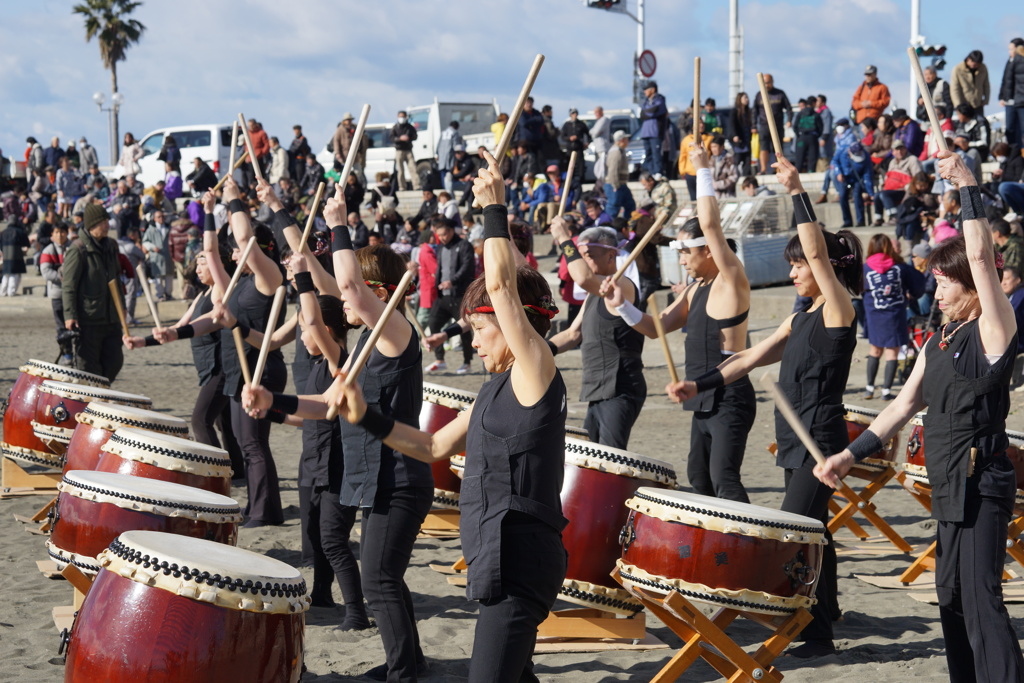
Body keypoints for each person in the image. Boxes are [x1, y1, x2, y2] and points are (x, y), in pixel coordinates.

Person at [297, 149, 567, 681]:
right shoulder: (492, 389)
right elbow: (432, 448)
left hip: (523, 560)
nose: (475, 341)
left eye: (481, 330)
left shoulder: (537, 370)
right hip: (495, 554)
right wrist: (366, 416)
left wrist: (493, 211)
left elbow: (502, 289)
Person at [814, 150, 1024, 681]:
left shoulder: (993, 329)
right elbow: (903, 406)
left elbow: (980, 259)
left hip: (983, 480)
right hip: (949, 480)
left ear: (972, 288)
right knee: (949, 595)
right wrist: (848, 454)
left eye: (945, 282)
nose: (936, 290)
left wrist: (969, 185)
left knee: (980, 599)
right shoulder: (938, 338)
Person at [668, 155, 864, 658]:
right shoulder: (800, 318)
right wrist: (700, 383)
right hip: (795, 441)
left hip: (820, 439)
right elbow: (749, 357)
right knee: (814, 532)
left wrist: (796, 189)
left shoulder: (839, 311)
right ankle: (826, 620)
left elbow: (819, 255)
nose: (794, 271)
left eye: (798, 264)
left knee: (793, 536)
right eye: (793, 264)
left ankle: (809, 630)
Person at [608, 146, 754, 502]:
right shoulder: (694, 289)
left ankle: (750, 552)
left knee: (724, 477)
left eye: (687, 250)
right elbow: (654, 326)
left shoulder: (730, 279)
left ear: (708, 250)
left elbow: (710, 224)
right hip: (700, 393)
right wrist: (622, 306)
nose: (682, 258)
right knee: (698, 477)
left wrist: (703, 170)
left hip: (729, 393)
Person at [548, 221, 646, 449]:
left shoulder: (621, 285)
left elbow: (582, 277)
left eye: (589, 255)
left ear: (611, 256)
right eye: (582, 256)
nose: (583, 261)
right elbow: (573, 334)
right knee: (591, 455)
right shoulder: (595, 294)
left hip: (620, 387)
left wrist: (565, 239)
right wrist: (538, 350)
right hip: (599, 388)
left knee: (610, 457)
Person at [61, 204, 127, 381]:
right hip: (88, 319)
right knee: (88, 368)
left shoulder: (111, 246)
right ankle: (92, 401)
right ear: (92, 225)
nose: (107, 225)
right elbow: (69, 286)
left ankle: (101, 392)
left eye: (107, 221)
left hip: (111, 317)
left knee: (115, 361)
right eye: (103, 222)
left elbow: (117, 280)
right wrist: (70, 315)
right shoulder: (78, 249)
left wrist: (123, 307)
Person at [862, 234, 924, 400]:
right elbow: (918, 283)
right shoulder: (900, 267)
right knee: (892, 353)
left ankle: (869, 389)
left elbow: (858, 287)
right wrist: (912, 294)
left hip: (874, 313)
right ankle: (886, 391)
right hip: (895, 314)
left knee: (874, 350)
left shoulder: (865, 267)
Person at [426, 216, 475, 375]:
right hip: (443, 295)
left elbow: (467, 267)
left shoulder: (464, 245)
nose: (441, 238)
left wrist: (452, 281)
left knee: (464, 329)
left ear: (452, 231)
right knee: (433, 323)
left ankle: (467, 362)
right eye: (439, 235)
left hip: (459, 294)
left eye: (444, 234)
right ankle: (440, 359)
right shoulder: (440, 248)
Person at [40, 223, 72, 360]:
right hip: (57, 294)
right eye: (57, 232)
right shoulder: (48, 250)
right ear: (52, 235)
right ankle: (67, 353)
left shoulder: (74, 248)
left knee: (75, 325)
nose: (60, 235)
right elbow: (46, 272)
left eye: (62, 232)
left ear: (67, 233)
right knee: (61, 326)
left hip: (74, 294)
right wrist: (65, 279)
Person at [874, 139, 923, 227]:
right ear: (892, 152)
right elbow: (888, 177)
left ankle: (894, 217)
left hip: (905, 190)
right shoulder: (892, 162)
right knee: (877, 195)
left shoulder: (912, 160)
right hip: (892, 188)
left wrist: (910, 187)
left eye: (901, 148)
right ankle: (879, 218)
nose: (899, 151)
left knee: (884, 194)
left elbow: (919, 177)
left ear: (905, 149)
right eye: (896, 149)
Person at [753, 73, 792, 173]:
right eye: (765, 83)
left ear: (772, 82)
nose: (767, 85)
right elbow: (754, 111)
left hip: (777, 125)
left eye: (768, 83)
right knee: (764, 147)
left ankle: (779, 169)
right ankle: (763, 169)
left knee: (778, 149)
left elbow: (788, 108)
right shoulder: (759, 95)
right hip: (764, 125)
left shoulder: (780, 93)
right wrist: (753, 125)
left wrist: (789, 120)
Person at [143, 210, 174, 300]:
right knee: (158, 277)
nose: (161, 218)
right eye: (159, 217)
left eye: (162, 216)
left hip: (168, 256)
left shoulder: (168, 228)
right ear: (155, 219)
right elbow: (145, 242)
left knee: (169, 276)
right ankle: (160, 294)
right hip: (156, 257)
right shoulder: (151, 230)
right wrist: (152, 247)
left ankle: (168, 294)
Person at [678, 120, 713, 200]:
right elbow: (682, 156)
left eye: (702, 123)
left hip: (703, 170)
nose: (701, 125)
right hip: (690, 173)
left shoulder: (710, 138)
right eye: (698, 124)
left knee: (705, 196)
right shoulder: (686, 140)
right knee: (693, 197)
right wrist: (682, 171)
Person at [999, 38, 1024, 148]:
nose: (1009, 51)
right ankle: (1015, 152)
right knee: (1011, 129)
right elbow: (1006, 80)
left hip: (1019, 101)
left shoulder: (1019, 60)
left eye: (1011, 49)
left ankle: (1018, 152)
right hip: (1011, 100)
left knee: (1018, 129)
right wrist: (1002, 96)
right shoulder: (1010, 60)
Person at [640, 80, 668, 177]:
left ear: (652, 89)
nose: (644, 92)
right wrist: (648, 112)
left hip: (655, 132)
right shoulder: (646, 102)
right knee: (648, 154)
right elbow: (642, 114)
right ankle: (650, 172)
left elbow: (654, 110)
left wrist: (647, 112)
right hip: (645, 132)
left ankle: (658, 172)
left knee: (656, 153)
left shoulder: (660, 99)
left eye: (646, 89)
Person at [604, 131, 634, 219]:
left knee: (630, 205)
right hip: (615, 185)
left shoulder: (621, 150)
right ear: (621, 140)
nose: (628, 141)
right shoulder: (616, 152)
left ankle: (627, 225)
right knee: (613, 208)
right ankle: (608, 227)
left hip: (622, 184)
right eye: (626, 139)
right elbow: (613, 170)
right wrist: (615, 186)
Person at [951, 50, 990, 115]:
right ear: (968, 59)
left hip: (978, 104)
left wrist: (986, 100)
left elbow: (986, 84)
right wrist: (958, 105)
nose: (975, 66)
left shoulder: (983, 68)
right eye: (974, 64)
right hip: (964, 105)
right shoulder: (957, 69)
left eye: (978, 64)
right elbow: (955, 88)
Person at [560, 107, 591, 186]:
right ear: (570, 115)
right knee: (569, 165)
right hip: (570, 149)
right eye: (573, 113)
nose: (575, 115)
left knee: (580, 166)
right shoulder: (567, 125)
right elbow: (562, 136)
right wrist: (569, 138)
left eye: (576, 113)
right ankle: (570, 181)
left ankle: (581, 182)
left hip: (579, 148)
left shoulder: (581, 124)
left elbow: (588, 135)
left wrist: (587, 143)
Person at [792, 95, 823, 173]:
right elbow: (820, 128)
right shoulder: (816, 115)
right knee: (812, 157)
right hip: (812, 138)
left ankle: (797, 173)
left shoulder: (800, 114)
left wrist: (799, 135)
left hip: (801, 138)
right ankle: (810, 172)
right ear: (813, 103)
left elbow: (795, 126)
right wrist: (816, 136)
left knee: (799, 157)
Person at [1, 219, 30, 297]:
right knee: (15, 274)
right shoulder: (20, 232)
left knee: (6, 274)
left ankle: (3, 292)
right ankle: (11, 292)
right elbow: (27, 244)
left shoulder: (3, 233)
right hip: (17, 256)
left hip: (6, 256)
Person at [392, 110, 419, 192]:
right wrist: (399, 139)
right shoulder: (395, 127)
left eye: (403, 117)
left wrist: (408, 138)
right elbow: (391, 138)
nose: (402, 118)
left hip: (408, 150)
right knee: (400, 170)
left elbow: (415, 136)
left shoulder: (410, 127)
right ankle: (402, 186)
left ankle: (417, 185)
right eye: (400, 117)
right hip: (399, 150)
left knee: (413, 168)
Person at [436, 122, 464, 194]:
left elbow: (438, 144)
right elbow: (456, 146)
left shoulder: (443, 132)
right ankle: (448, 189)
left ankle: (444, 188)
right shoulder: (454, 133)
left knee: (443, 172)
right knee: (449, 172)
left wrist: (437, 154)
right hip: (450, 155)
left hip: (442, 155)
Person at [1002, 265, 1024, 353]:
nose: (1003, 283)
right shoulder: (1013, 296)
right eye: (1001, 279)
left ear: (1018, 280)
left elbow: (1011, 320)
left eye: (1007, 279)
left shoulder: (1020, 295)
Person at [590, 106, 611, 182]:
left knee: (602, 167)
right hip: (598, 147)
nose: (596, 114)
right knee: (598, 166)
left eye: (597, 112)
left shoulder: (604, 120)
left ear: (602, 112)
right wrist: (594, 132)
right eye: (595, 112)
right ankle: (600, 181)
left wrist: (594, 133)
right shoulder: (598, 122)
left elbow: (595, 133)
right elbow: (592, 132)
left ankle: (603, 181)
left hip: (603, 147)